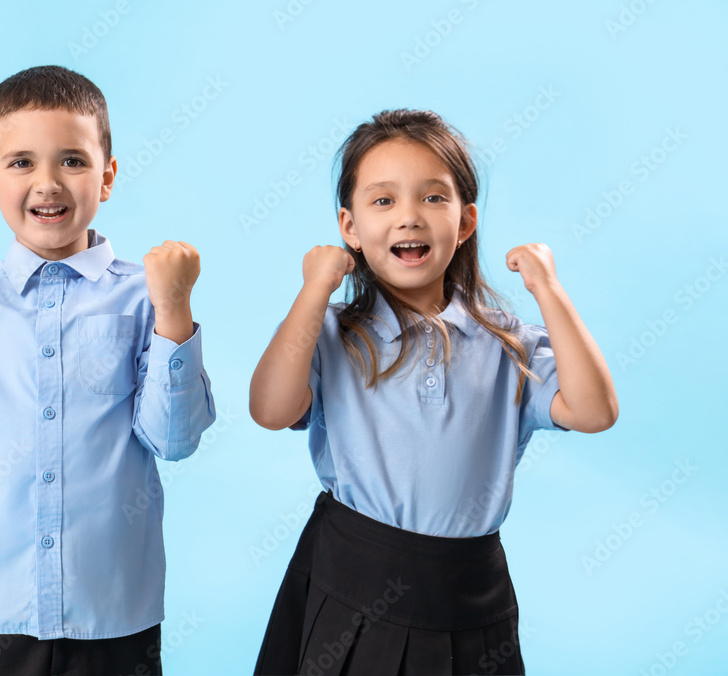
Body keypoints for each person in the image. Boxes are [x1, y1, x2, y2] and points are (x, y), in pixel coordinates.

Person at [249, 109, 617, 675]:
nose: (409, 218)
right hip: (352, 581)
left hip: (469, 590)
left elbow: (594, 411)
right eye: (383, 201)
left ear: (466, 221)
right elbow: (271, 410)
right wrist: (315, 290)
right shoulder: (331, 334)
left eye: (433, 198)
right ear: (348, 228)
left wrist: (548, 288)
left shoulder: (508, 343)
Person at [0, 65, 215, 676]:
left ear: (107, 176)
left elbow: (174, 440)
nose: (48, 183)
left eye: (72, 160)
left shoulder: (148, 297)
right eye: (20, 163)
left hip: (111, 609)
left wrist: (174, 311)